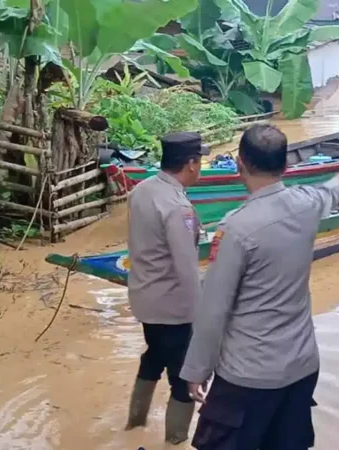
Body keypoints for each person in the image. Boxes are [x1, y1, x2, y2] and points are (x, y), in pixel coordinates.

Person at [179, 124, 339, 450]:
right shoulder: (308, 203)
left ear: (240, 162)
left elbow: (214, 308)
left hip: (248, 376)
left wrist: (196, 370)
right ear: (285, 166)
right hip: (301, 366)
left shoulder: (236, 227)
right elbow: (332, 191)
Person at [125, 131, 209, 444]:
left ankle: (134, 425)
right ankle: (175, 440)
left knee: (154, 356)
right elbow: (187, 270)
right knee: (183, 377)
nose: (200, 168)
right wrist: (203, 320)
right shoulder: (178, 208)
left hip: (145, 299)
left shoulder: (141, 190)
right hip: (172, 308)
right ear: (190, 164)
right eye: (200, 162)